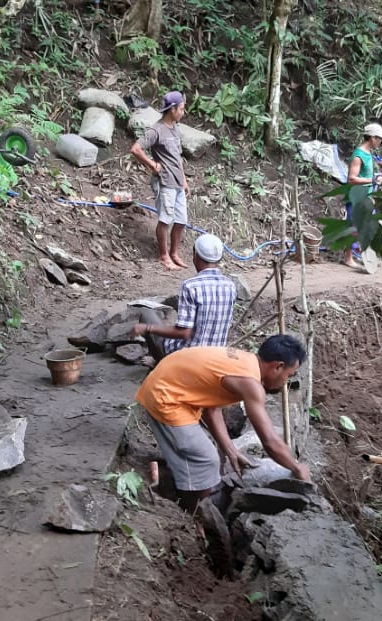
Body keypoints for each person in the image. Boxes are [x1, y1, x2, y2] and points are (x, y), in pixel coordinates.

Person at [134, 336, 312, 515]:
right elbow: (270, 441)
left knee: (209, 456)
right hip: (165, 397)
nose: (285, 382)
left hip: (166, 385)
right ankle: (194, 514)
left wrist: (230, 450)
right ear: (278, 366)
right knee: (206, 459)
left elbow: (212, 409)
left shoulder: (245, 362)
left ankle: (184, 489)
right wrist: (296, 467)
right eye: (289, 375)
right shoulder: (251, 384)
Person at [130, 234, 236, 362]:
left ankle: (161, 364)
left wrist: (147, 327)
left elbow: (185, 333)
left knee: (147, 315)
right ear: (218, 259)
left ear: (195, 256)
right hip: (216, 356)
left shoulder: (191, 286)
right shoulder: (230, 285)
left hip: (188, 358)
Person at [131, 91, 191, 271]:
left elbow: (177, 157)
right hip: (165, 182)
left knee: (181, 220)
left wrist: (184, 180)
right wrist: (152, 164)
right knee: (165, 220)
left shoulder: (175, 128)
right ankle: (164, 256)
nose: (183, 112)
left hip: (177, 182)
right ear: (172, 109)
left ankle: (174, 253)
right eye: (181, 109)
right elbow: (136, 149)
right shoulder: (156, 130)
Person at [342, 123, 382, 272]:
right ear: (372, 138)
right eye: (379, 139)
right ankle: (348, 258)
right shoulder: (359, 155)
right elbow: (352, 178)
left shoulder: (369, 154)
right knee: (354, 228)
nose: (380, 141)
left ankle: (366, 256)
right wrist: (372, 180)